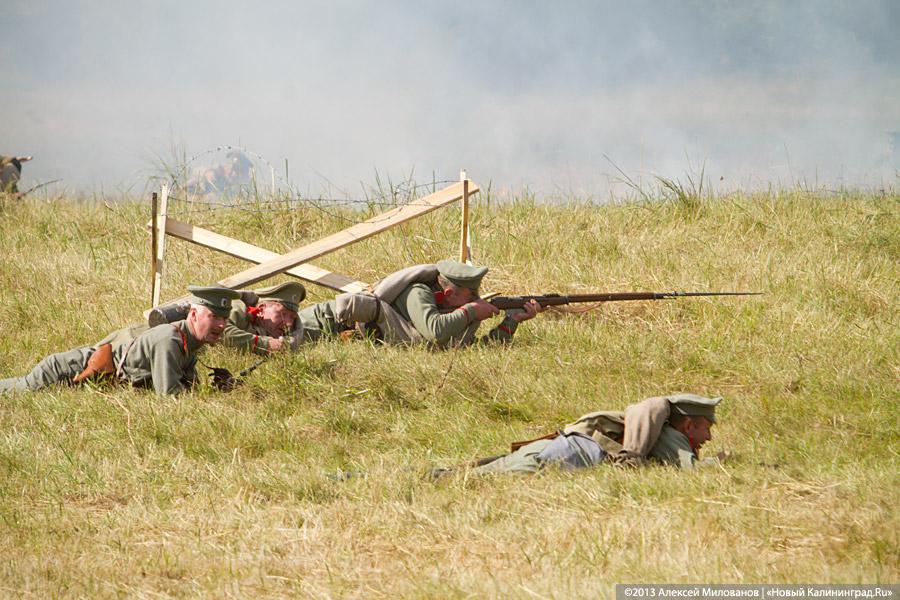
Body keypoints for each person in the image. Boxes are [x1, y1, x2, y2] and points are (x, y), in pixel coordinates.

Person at [0, 285, 239, 396]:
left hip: (81, 379)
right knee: (16, 391)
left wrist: (218, 389)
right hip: (65, 372)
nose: (220, 324)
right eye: (214, 316)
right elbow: (171, 397)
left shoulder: (189, 344)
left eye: (224, 318)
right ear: (194, 314)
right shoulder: (170, 341)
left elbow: (188, 388)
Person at [296, 259, 544, 348]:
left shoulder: (449, 305)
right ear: (448, 294)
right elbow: (435, 332)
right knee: (278, 337)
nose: (476, 301)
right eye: (471, 296)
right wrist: (471, 311)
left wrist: (511, 321)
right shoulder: (418, 293)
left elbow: (475, 349)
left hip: (343, 336)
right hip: (325, 322)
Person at [468, 393, 724, 475]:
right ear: (688, 426)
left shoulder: (654, 430)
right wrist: (725, 462)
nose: (709, 438)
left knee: (479, 473)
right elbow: (693, 470)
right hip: (565, 455)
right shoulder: (672, 436)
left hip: (561, 448)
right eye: (706, 428)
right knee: (487, 477)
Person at [222, 281, 306, 354]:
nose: (288, 323)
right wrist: (266, 345)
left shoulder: (294, 332)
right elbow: (220, 329)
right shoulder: (236, 307)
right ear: (262, 310)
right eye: (282, 314)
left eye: (292, 317)